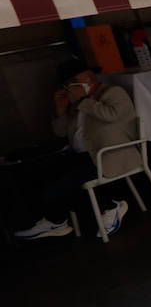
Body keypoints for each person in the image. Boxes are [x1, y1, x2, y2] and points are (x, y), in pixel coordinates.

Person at [15, 59, 136, 240]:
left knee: (66, 182)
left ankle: (110, 206)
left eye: (73, 81)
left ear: (89, 77)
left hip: (110, 154)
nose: (70, 86)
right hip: (83, 154)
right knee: (42, 171)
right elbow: (61, 131)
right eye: (67, 83)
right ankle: (54, 220)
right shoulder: (76, 102)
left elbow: (111, 115)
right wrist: (61, 110)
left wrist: (83, 99)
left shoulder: (112, 92)